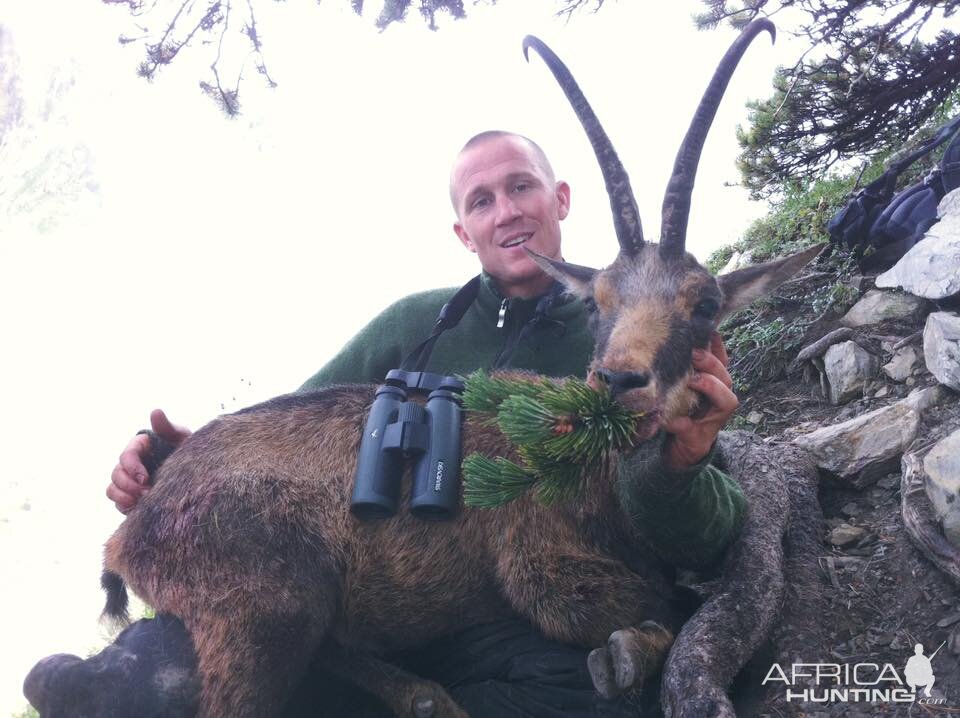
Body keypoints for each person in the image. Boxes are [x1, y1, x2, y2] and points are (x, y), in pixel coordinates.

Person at [104, 130, 743, 717]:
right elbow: (284, 426)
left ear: (560, 199)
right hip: (353, 590)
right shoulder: (417, 321)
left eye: (522, 186)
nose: (508, 210)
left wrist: (684, 458)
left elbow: (703, 536)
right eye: (482, 200)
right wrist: (171, 459)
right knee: (191, 661)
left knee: (603, 693)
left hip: (487, 628)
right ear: (465, 232)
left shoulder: (635, 341)